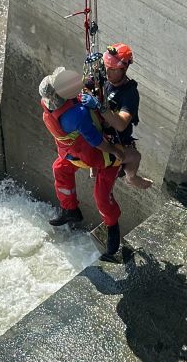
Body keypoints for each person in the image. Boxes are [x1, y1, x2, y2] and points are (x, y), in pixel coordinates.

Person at [40, 66, 125, 261]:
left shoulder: (76, 114)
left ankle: (112, 237)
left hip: (104, 157)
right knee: (59, 169)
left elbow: (98, 141)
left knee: (101, 197)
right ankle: (71, 210)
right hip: (77, 156)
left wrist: (115, 152)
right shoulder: (60, 107)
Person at [97, 44, 153, 189]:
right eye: (107, 67)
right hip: (99, 135)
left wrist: (102, 108)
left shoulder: (130, 94)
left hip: (116, 141)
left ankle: (131, 178)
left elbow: (121, 124)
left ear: (124, 69)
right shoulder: (105, 81)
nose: (108, 72)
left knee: (135, 157)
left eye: (113, 69)